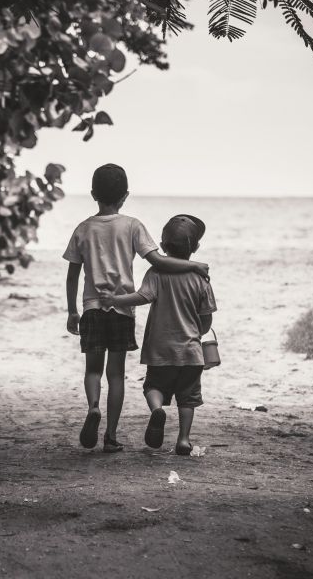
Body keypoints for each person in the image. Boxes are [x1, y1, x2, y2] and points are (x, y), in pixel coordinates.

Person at [64, 164, 209, 453]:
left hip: (93, 308)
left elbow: (72, 275)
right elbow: (159, 262)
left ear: (93, 194)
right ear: (125, 196)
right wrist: (193, 264)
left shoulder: (82, 228)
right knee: (116, 374)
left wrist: (72, 311)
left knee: (93, 370)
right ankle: (111, 436)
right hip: (120, 312)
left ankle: (93, 407)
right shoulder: (132, 226)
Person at [101, 214, 216, 455]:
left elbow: (142, 297)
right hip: (191, 352)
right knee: (188, 398)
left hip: (160, 349)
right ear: (195, 248)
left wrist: (115, 299)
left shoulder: (156, 272)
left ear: (162, 247)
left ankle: (157, 411)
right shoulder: (200, 278)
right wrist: (200, 331)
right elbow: (206, 317)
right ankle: (183, 440)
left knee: (153, 386)